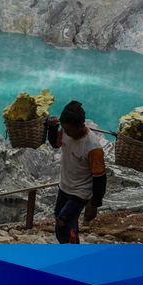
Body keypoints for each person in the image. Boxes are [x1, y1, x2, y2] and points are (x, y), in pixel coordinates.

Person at [46, 100, 107, 244]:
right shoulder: (67, 132)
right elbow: (56, 143)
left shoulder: (93, 147)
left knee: (62, 221)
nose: (66, 133)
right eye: (64, 129)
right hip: (65, 186)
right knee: (63, 220)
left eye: (69, 130)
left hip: (80, 192)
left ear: (80, 125)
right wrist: (53, 128)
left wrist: (94, 204)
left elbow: (100, 178)